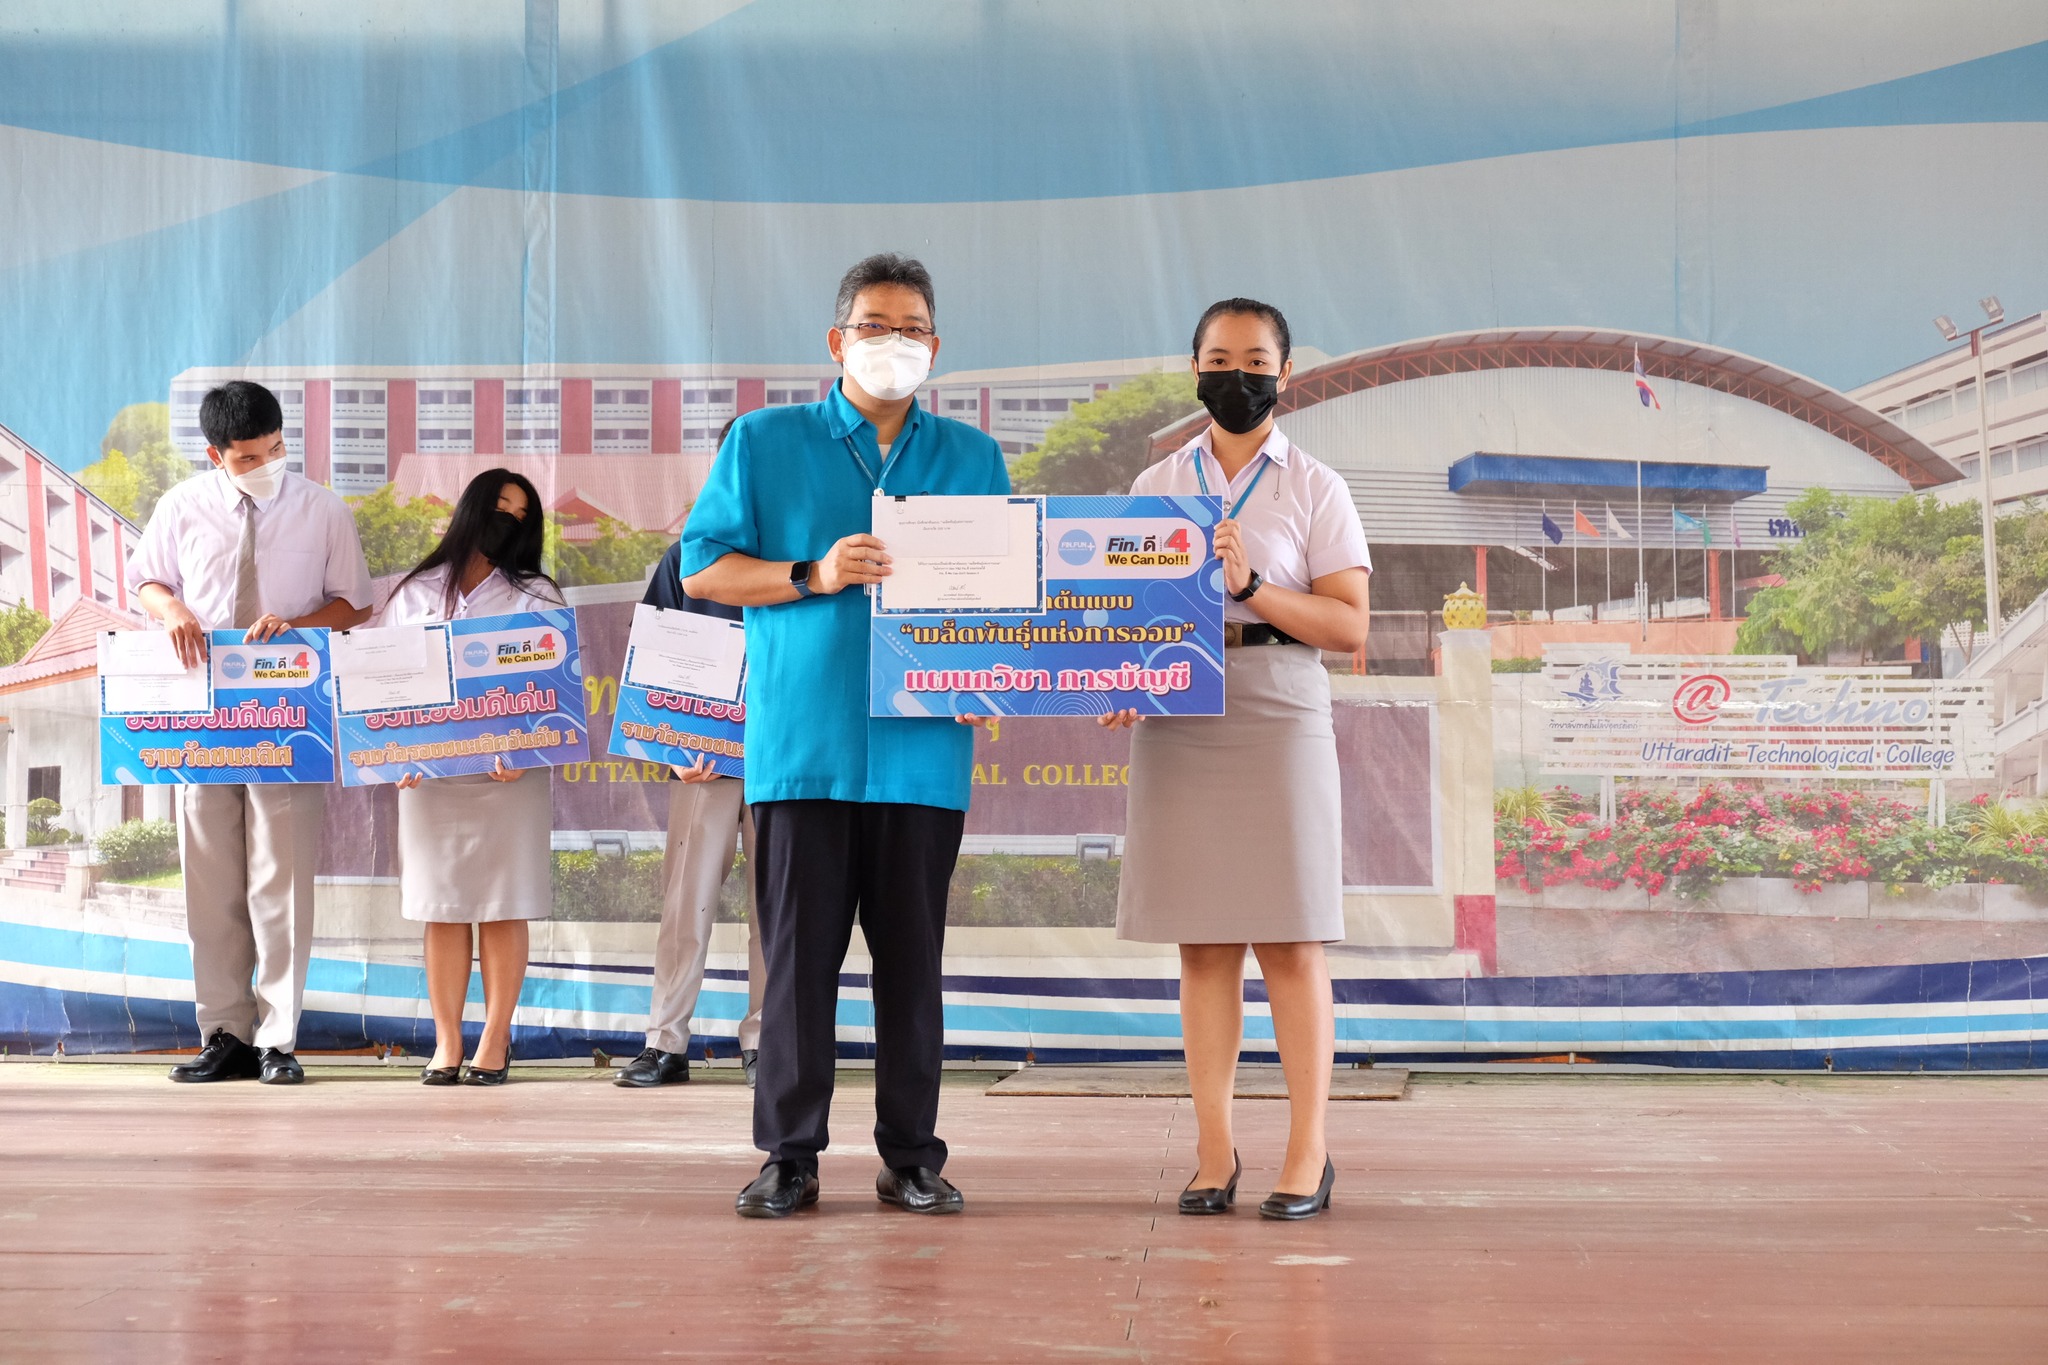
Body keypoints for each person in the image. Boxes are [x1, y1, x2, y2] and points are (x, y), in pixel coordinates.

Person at [681, 253, 1004, 1219]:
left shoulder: (971, 456)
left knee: (913, 969)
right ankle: (790, 1154)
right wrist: (811, 574)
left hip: (922, 754)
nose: (892, 343)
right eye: (874, 325)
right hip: (801, 749)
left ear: (934, 348)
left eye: (910, 329)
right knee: (796, 965)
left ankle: (911, 1154)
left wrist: (1000, 669)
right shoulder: (763, 441)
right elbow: (704, 569)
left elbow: (998, 596)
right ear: (837, 339)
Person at [1103, 298, 1372, 1220]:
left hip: (1279, 709)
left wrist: (1253, 586)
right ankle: (1214, 1152)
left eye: (1256, 359)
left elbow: (1347, 624)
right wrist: (1117, 678)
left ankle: (1309, 1151)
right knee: (1205, 945)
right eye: (1220, 358)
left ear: (1285, 374)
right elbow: (1121, 617)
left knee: (1291, 942)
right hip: (1181, 712)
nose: (1238, 374)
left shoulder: (1315, 486)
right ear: (1195, 370)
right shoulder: (1153, 484)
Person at [130, 380, 374, 1084]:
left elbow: (354, 605)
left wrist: (297, 628)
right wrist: (170, 606)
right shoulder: (182, 506)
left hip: (287, 716)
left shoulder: (321, 508)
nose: (268, 462)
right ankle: (225, 1032)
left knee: (282, 878)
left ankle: (277, 1038)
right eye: (249, 456)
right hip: (201, 717)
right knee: (209, 881)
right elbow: (147, 578)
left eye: (277, 448)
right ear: (215, 454)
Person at [377, 470, 563, 1086]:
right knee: (444, 906)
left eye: (520, 515)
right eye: (498, 508)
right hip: (429, 778)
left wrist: (527, 743)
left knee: (503, 905)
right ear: (472, 510)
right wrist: (392, 753)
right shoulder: (416, 591)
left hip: (510, 775)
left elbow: (553, 689)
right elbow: (382, 682)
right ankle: (447, 1041)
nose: (506, 521)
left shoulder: (539, 594)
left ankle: (494, 1039)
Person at [614, 522, 768, 1091]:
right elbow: (650, 653)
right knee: (686, 902)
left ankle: (767, 1040)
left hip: (788, 755)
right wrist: (670, 744)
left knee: (777, 908)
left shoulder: (808, 552)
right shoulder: (688, 556)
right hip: (702, 758)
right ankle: (665, 1041)